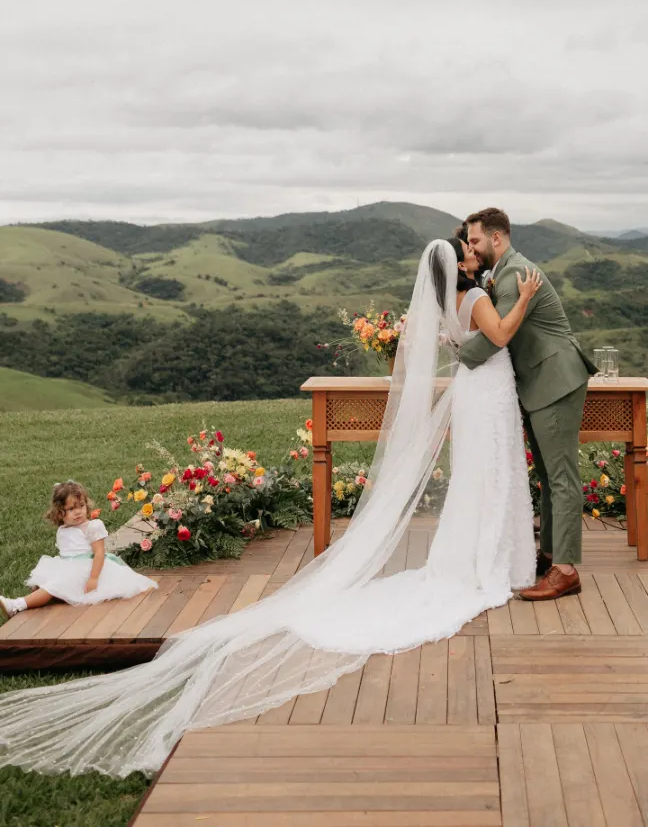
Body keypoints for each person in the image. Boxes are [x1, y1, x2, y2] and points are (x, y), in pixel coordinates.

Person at [0, 237, 540, 779]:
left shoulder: (450, 302)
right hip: (487, 393)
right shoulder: (475, 299)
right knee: (489, 476)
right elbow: (498, 335)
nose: (474, 254)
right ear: (458, 265)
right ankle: (494, 559)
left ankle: (483, 553)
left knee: (482, 477)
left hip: (478, 392)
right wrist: (525, 298)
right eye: (467, 250)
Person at [458, 208, 597, 601]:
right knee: (549, 479)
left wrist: (458, 355)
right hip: (539, 384)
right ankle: (551, 554)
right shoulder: (500, 273)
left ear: (497, 238)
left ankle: (566, 571)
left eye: (476, 240)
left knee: (562, 476)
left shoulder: (516, 275)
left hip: (555, 380)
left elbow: (495, 337)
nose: (472, 247)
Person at [0, 481, 157, 620]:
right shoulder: (64, 529)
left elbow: (99, 553)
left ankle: (17, 605)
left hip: (88, 569)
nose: (78, 512)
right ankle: (39, 599)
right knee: (47, 584)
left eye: (81, 506)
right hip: (68, 566)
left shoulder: (92, 527)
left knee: (54, 586)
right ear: (60, 512)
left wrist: (94, 578)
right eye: (71, 509)